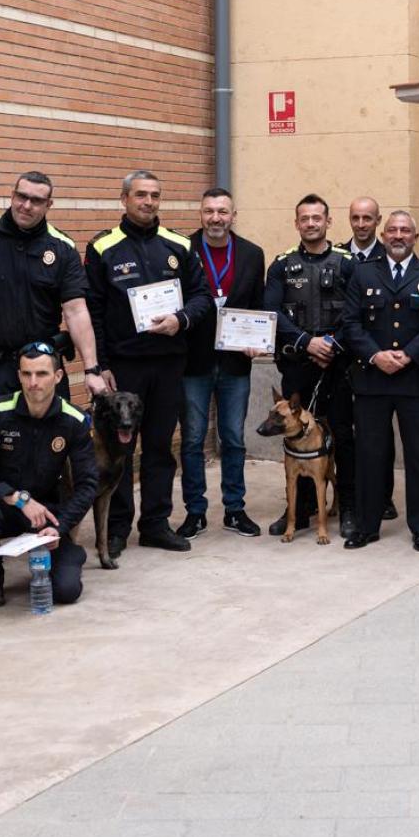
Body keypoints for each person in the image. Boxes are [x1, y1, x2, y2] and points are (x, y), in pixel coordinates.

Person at [84, 170, 212, 555]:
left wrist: (180, 320)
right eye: (141, 195)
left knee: (159, 445)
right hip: (123, 367)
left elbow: (201, 297)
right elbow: (93, 309)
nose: (149, 202)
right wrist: (99, 363)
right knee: (118, 448)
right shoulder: (103, 246)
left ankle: (155, 523)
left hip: (169, 363)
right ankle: (118, 528)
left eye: (155, 195)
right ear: (124, 199)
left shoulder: (178, 244)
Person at [0, 172, 106, 436]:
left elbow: (75, 310)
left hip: (43, 365)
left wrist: (92, 369)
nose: (26, 206)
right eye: (22, 196)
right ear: (12, 195)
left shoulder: (62, 247)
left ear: (49, 205)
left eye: (37, 200)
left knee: (51, 446)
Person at [341, 210, 419, 551]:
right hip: (372, 379)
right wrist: (376, 355)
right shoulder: (362, 273)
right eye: (392, 230)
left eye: (405, 230)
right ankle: (367, 525)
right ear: (383, 234)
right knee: (370, 455)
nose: (398, 235)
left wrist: (408, 354)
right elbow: (351, 323)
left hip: (415, 380)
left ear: (415, 237)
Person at [0, 343, 98, 607]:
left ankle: (71, 553)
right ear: (19, 375)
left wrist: (60, 526)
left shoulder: (75, 421)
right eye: (26, 374)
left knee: (66, 592)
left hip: (47, 516)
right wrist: (16, 498)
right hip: (5, 507)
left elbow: (88, 485)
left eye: (42, 374)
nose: (33, 382)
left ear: (58, 376)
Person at [263, 194, 358, 538]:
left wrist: (333, 344)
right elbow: (271, 312)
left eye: (318, 217)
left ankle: (347, 506)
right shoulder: (281, 265)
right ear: (296, 223)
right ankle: (299, 510)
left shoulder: (348, 263)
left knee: (343, 436)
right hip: (298, 365)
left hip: (339, 364)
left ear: (329, 222)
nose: (311, 223)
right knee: (295, 437)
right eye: (305, 218)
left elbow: (358, 311)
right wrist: (307, 342)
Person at [175, 188, 265, 540]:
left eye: (222, 211)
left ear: (233, 215)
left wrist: (258, 341)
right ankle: (195, 512)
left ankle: (234, 509)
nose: (216, 218)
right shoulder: (181, 250)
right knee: (193, 439)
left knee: (233, 438)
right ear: (201, 214)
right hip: (192, 362)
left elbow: (257, 305)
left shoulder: (252, 254)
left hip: (235, 363)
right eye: (209, 211)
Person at [343, 195, 397, 518]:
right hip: (341, 357)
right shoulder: (335, 255)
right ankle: (348, 498)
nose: (361, 224)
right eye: (356, 218)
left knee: (381, 436)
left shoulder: (390, 254)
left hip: (377, 360)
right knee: (345, 432)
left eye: (368, 218)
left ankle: (383, 496)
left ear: (379, 221)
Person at [344, 196, 384, 262]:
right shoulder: (336, 256)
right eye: (355, 218)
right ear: (350, 219)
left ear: (378, 220)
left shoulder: (389, 257)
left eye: (367, 218)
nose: (360, 225)